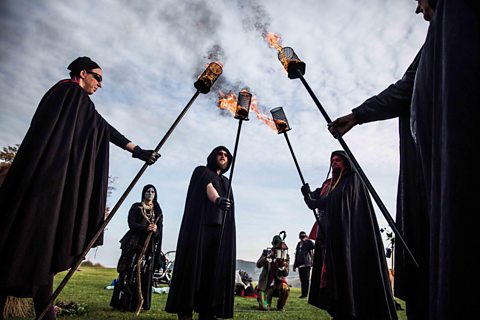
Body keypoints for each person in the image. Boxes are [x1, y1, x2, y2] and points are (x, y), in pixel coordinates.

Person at [0, 56, 160, 319]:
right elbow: (86, 130)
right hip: (44, 186)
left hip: (48, 187)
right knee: (35, 247)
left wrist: (138, 151)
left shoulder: (77, 103)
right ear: (82, 73)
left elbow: (103, 128)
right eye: (97, 77)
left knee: (43, 252)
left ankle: (45, 311)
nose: (100, 84)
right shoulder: (68, 92)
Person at [301, 151, 397, 320]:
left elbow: (331, 200)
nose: (334, 163)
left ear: (346, 162)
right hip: (327, 237)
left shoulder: (352, 181)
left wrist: (315, 201)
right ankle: (336, 310)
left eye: (338, 160)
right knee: (327, 275)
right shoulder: (328, 183)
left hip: (345, 239)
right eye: (332, 160)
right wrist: (307, 194)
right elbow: (316, 199)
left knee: (343, 272)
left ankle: (348, 310)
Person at [165, 146, 235, 320]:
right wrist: (218, 200)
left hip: (219, 233)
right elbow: (208, 187)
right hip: (200, 231)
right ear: (212, 156)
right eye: (220, 153)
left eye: (226, 155)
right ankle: (185, 310)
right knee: (193, 269)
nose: (223, 156)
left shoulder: (227, 182)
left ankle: (207, 311)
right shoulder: (202, 171)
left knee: (212, 273)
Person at [110, 184, 163, 313]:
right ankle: (124, 303)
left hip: (149, 246)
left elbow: (160, 229)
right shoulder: (136, 207)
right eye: (147, 191)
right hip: (133, 244)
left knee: (144, 272)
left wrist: (155, 230)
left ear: (155, 195)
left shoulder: (158, 211)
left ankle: (139, 302)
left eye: (152, 191)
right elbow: (131, 223)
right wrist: (145, 228)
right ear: (144, 193)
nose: (150, 193)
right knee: (129, 271)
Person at [255, 233, 290, 311]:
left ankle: (280, 306)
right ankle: (262, 299)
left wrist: (282, 266)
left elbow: (286, 273)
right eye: (275, 246)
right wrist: (266, 257)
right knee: (264, 307)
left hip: (279, 284)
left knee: (285, 288)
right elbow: (258, 264)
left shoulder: (285, 256)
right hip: (266, 286)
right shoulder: (266, 252)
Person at [293, 231, 314, 298]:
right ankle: (303, 294)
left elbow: (313, 246)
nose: (302, 238)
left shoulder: (307, 243)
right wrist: (294, 265)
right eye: (301, 236)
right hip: (300, 265)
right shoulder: (298, 244)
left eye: (303, 236)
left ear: (305, 236)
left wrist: (308, 239)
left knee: (306, 280)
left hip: (306, 265)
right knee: (302, 280)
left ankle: (305, 294)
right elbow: (297, 255)